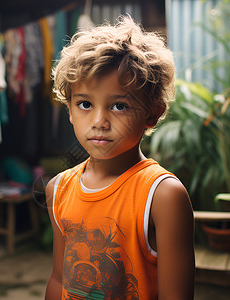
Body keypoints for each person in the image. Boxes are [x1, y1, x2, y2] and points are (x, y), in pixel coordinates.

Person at [45, 15, 195, 300]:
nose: (99, 121)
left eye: (119, 105)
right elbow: (59, 279)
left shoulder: (163, 196)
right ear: (69, 109)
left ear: (152, 113)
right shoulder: (58, 190)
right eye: (85, 104)